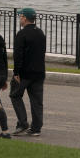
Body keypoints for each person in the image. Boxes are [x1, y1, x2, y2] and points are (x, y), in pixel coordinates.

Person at [10, 7, 46, 136]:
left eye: (20, 16)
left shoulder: (22, 34)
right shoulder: (40, 33)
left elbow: (18, 55)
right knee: (37, 101)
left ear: (25, 18)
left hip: (24, 73)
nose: (20, 18)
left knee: (15, 95)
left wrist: (16, 73)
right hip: (39, 73)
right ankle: (36, 128)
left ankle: (23, 123)